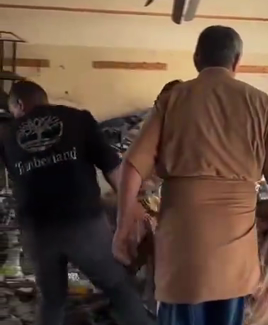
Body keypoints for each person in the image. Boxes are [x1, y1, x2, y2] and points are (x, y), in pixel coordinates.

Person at [112, 25, 268, 325]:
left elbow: (132, 165)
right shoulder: (261, 103)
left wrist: (123, 226)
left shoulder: (174, 98)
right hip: (235, 254)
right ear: (237, 61)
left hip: (183, 249)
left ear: (197, 59)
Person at [0, 80, 154, 325]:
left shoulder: (7, 135)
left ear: (19, 104)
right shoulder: (77, 118)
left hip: (36, 230)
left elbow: (18, 181)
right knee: (118, 287)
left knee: (52, 298)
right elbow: (113, 168)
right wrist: (132, 211)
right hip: (83, 224)